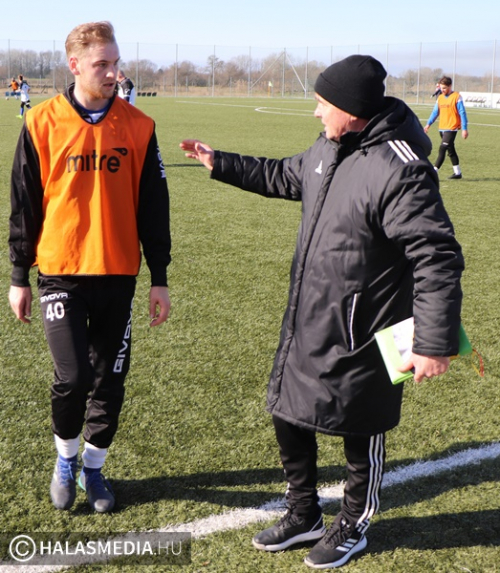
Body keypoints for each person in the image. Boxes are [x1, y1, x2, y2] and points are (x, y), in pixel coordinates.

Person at [181, 55, 463, 569]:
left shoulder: (401, 169)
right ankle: (303, 512)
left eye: (321, 103)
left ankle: (353, 522)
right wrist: (219, 162)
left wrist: (433, 342)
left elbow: (436, 255)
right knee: (287, 411)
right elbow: (284, 175)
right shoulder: (328, 148)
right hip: (309, 315)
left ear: (351, 110)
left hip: (366, 330)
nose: (315, 112)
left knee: (362, 426)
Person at [8, 21, 171, 514]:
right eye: (102, 64)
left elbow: (154, 206)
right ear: (74, 65)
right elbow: (24, 205)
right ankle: (65, 461)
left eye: (115, 63)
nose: (113, 73)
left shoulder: (140, 126)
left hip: (118, 273)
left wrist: (159, 277)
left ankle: (94, 469)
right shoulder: (41, 122)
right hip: (61, 272)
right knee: (73, 377)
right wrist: (18, 276)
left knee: (109, 379)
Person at [424, 76, 468, 179]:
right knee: (450, 150)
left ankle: (433, 172)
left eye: (444, 88)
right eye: (441, 88)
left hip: (452, 127)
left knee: (442, 148)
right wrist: (428, 124)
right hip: (442, 127)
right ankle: (457, 173)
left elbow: (462, 113)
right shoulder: (440, 98)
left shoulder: (457, 97)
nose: (442, 90)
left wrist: (464, 128)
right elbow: (435, 112)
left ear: (450, 86)